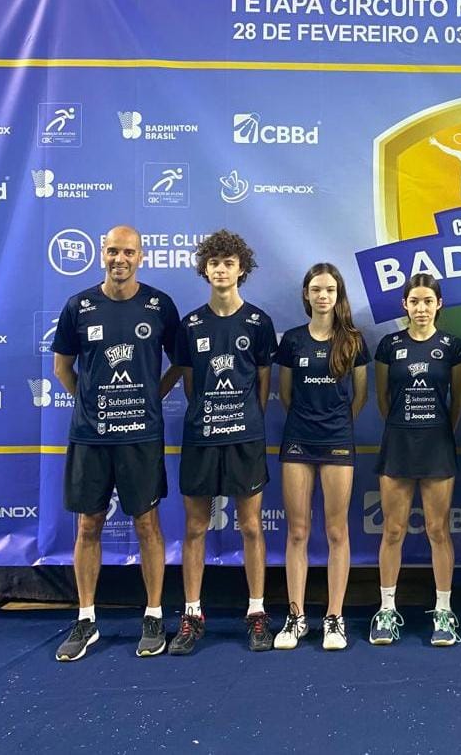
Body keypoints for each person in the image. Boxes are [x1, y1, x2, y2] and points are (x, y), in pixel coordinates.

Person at [52, 225, 181, 662]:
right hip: (91, 437)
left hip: (141, 437)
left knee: (147, 524)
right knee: (88, 525)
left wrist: (150, 398)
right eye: (112, 251)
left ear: (141, 257)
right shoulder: (79, 306)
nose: (119, 259)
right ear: (101, 254)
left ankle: (154, 615)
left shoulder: (159, 305)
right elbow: (62, 368)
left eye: (127, 252)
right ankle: (86, 619)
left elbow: (180, 363)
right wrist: (90, 404)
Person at [167, 230, 277, 655]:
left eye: (228, 263)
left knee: (250, 525)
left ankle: (256, 613)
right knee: (195, 526)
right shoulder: (190, 325)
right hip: (201, 438)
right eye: (214, 263)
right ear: (204, 269)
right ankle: (192, 615)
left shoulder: (259, 323)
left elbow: (263, 385)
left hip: (245, 439)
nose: (220, 270)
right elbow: (189, 384)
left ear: (241, 269)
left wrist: (243, 420)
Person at [273, 263, 369, 652]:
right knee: (297, 531)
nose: (323, 296)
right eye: (316, 289)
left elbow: (360, 397)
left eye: (329, 289)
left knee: (336, 531)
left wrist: (335, 425)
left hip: (337, 440)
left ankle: (334, 617)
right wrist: (309, 422)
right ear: (306, 295)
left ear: (338, 294)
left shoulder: (353, 340)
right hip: (298, 440)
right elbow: (285, 395)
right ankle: (296, 617)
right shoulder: (293, 340)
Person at [369, 273, 461, 646]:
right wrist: (403, 426)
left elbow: (456, 400)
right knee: (393, 530)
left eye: (428, 301)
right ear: (405, 305)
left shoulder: (452, 346)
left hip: (437, 445)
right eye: (415, 301)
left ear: (438, 304)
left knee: (437, 530)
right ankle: (386, 609)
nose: (421, 308)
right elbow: (383, 399)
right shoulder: (389, 345)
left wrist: (437, 430)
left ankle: (443, 611)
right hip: (398, 443)